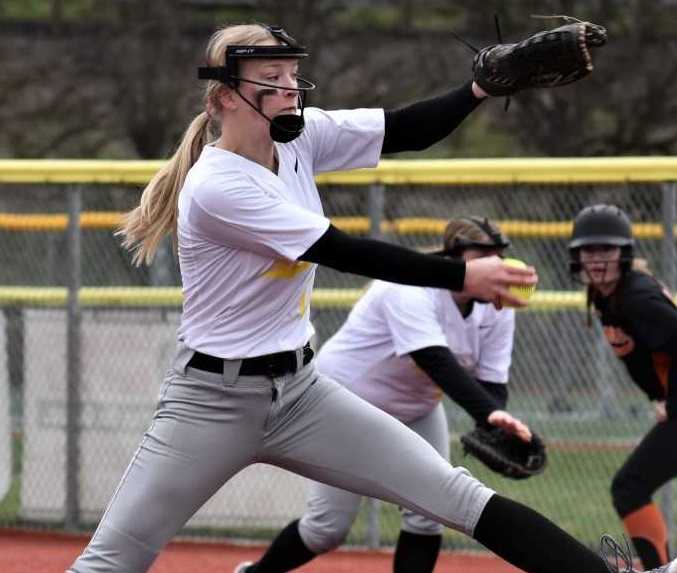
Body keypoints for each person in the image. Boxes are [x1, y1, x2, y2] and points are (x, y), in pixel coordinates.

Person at [66, 23, 670, 573]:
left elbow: (406, 129)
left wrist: (479, 90)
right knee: (113, 562)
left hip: (302, 394)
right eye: (270, 81)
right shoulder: (217, 185)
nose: (289, 91)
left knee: (455, 495)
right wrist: (461, 277)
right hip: (212, 402)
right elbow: (343, 250)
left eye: (291, 77)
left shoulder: (298, 139)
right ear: (225, 96)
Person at [236, 216, 521, 573]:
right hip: (345, 400)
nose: (496, 264)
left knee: (429, 513)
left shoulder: (498, 305)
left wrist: (499, 422)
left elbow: (493, 381)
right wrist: (488, 415)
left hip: (417, 408)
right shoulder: (408, 287)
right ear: (453, 255)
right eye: (485, 255)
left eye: (500, 255)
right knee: (327, 528)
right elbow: (435, 360)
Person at [568, 204, 677, 571]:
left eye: (606, 250)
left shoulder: (637, 298)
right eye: (588, 251)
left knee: (629, 486)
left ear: (624, 254)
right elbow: (645, 359)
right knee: (630, 487)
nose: (597, 259)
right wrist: (659, 396)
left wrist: (671, 403)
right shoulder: (606, 295)